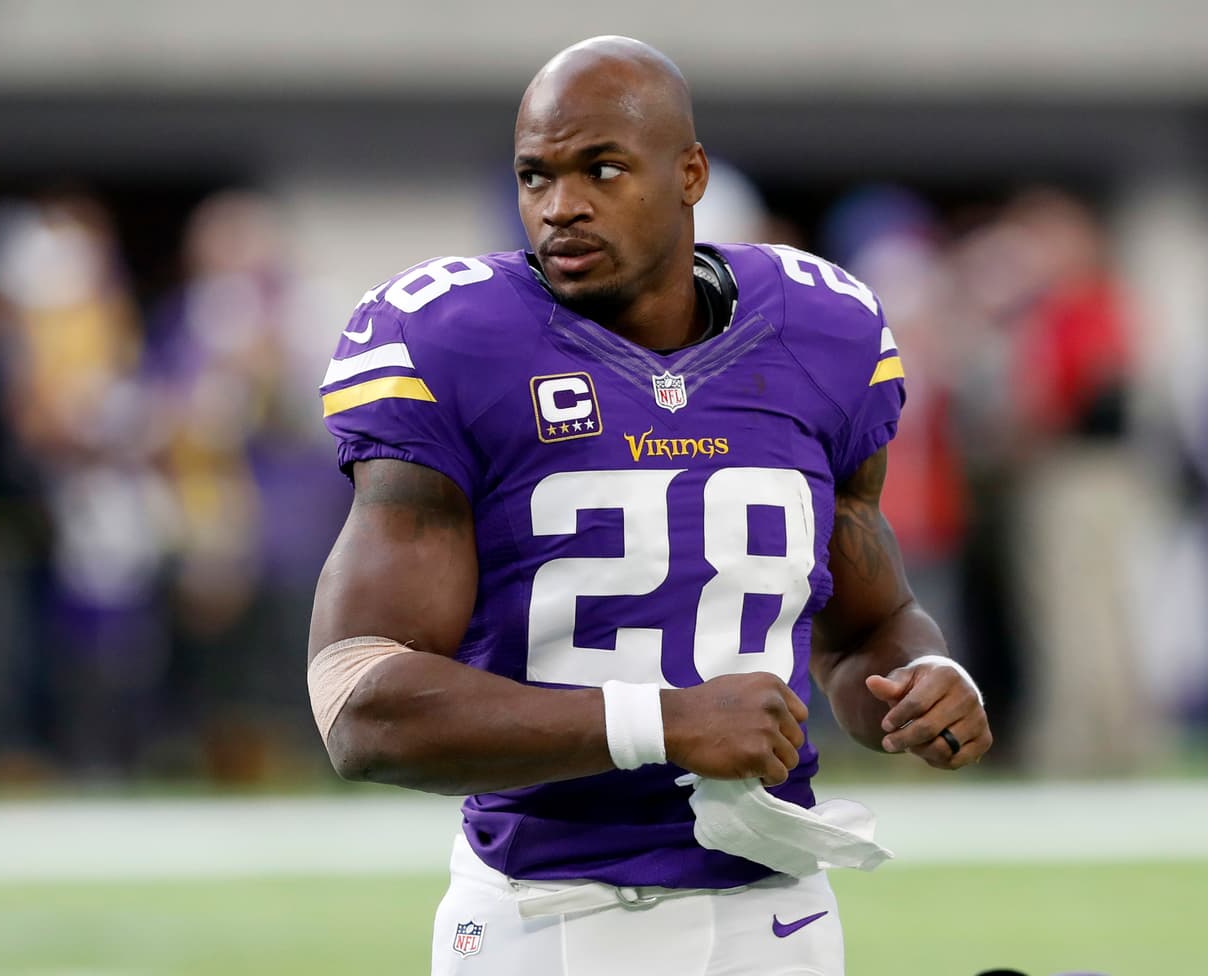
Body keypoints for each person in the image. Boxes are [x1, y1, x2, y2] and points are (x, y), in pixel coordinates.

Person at [307, 36, 992, 976]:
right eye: (534, 176)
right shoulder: (452, 342)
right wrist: (661, 723)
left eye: (602, 167)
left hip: (778, 909)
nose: (561, 206)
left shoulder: (824, 334)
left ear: (690, 175)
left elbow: (867, 628)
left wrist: (922, 681)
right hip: (544, 909)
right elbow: (358, 703)